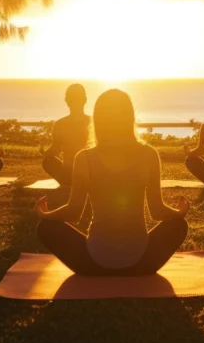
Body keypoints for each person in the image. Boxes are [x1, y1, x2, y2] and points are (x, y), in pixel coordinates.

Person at [35, 89, 189, 275]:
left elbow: (74, 211)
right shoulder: (149, 154)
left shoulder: (84, 158)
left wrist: (46, 215)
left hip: (92, 263)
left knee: (45, 228)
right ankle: (132, 270)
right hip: (142, 262)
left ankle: (103, 270)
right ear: (129, 117)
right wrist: (179, 212)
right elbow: (157, 211)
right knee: (178, 225)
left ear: (98, 120)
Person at [40, 84, 93, 186]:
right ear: (85, 99)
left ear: (67, 101)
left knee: (47, 161)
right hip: (90, 171)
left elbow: (54, 151)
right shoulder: (93, 122)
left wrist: (43, 151)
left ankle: (68, 183)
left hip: (68, 172)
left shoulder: (60, 124)